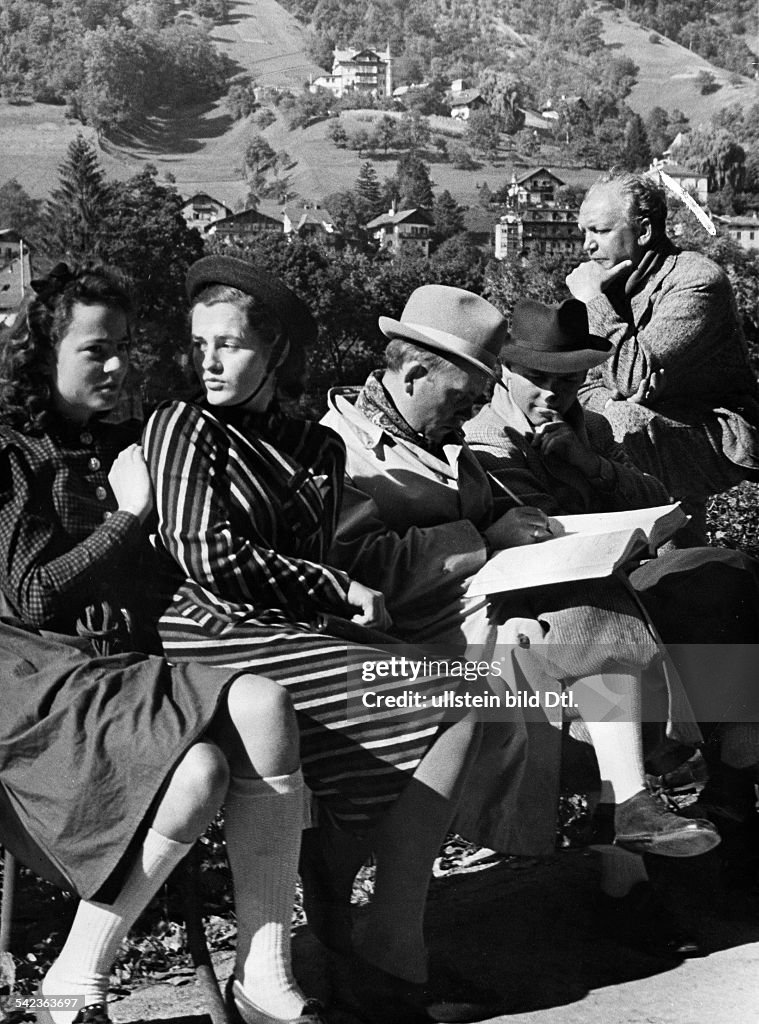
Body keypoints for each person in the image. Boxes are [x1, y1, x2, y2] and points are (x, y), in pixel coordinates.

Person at [140, 256, 493, 1024]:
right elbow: (208, 554)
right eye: (198, 343)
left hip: (296, 637)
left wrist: (345, 595)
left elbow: (328, 557)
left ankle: (372, 932)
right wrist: (336, 591)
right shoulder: (182, 425)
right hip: (209, 638)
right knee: (456, 699)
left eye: (229, 344)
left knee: (468, 694)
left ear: (275, 353)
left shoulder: (317, 449)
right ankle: (386, 952)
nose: (208, 360)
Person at [0, 262, 325, 1024]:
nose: (117, 365)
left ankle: (260, 972)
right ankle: (79, 974)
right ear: (43, 354)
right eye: (94, 350)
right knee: (211, 757)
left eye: (125, 348)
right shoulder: (13, 453)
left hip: (115, 669)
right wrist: (128, 514)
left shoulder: (131, 440)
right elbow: (34, 594)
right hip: (29, 674)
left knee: (258, 714)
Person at [321, 283, 717, 862]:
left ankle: (631, 809)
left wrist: (517, 519)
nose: (476, 411)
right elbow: (361, 565)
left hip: (488, 621)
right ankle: (636, 798)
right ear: (411, 378)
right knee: (586, 610)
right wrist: (483, 538)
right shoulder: (342, 452)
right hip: (412, 641)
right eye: (466, 396)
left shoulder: (439, 439)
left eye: (483, 397)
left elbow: (493, 505)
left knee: (619, 597)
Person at [465, 295, 759, 826]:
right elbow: (538, 535)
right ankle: (640, 797)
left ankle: (734, 772)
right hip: (547, 595)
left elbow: (652, 493)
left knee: (723, 570)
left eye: (569, 382)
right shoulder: (488, 439)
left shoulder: (590, 427)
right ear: (507, 371)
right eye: (539, 378)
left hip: (617, 571)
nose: (554, 395)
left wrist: (591, 467)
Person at [566, 168, 759, 545]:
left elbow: (629, 375)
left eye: (600, 231)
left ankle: (661, 563)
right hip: (657, 421)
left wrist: (592, 304)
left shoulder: (696, 281)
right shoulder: (610, 284)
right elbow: (579, 382)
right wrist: (610, 398)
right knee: (579, 421)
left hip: (723, 433)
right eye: (584, 233)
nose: (587, 245)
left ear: (643, 231)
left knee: (622, 424)